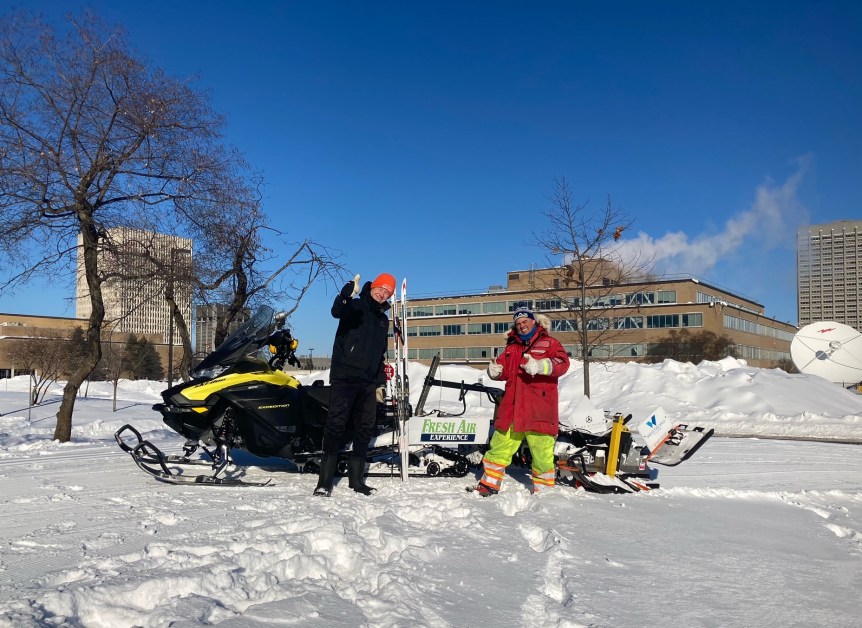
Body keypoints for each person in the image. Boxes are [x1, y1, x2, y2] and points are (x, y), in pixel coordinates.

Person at [314, 272, 396, 497]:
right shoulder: (356, 306)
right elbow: (336, 312)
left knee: (365, 427)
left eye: (387, 292)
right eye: (380, 289)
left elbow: (380, 354)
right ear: (373, 287)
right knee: (336, 425)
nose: (382, 294)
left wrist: (380, 384)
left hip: (368, 383)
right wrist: (345, 295)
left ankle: (356, 481)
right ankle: (324, 482)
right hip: (345, 377)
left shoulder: (382, 319)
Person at [474, 306, 570, 496]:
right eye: (518, 323)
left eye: (525, 321)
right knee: (499, 447)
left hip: (539, 408)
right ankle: (488, 485)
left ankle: (544, 491)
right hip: (512, 407)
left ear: (534, 322)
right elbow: (502, 369)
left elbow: (563, 363)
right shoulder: (511, 348)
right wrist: (495, 372)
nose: (522, 326)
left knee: (542, 453)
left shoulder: (550, 343)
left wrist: (541, 365)